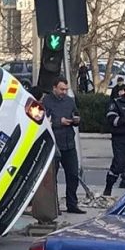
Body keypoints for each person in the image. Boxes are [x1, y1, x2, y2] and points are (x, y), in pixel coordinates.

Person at [42, 77, 85, 214]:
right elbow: (43, 120)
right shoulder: (46, 101)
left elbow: (76, 114)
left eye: (66, 89)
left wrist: (76, 120)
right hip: (54, 144)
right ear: (54, 88)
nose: (64, 92)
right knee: (52, 177)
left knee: (73, 174)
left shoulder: (69, 101)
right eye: (61, 89)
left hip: (69, 143)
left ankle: (72, 204)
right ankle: (54, 206)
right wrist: (58, 122)